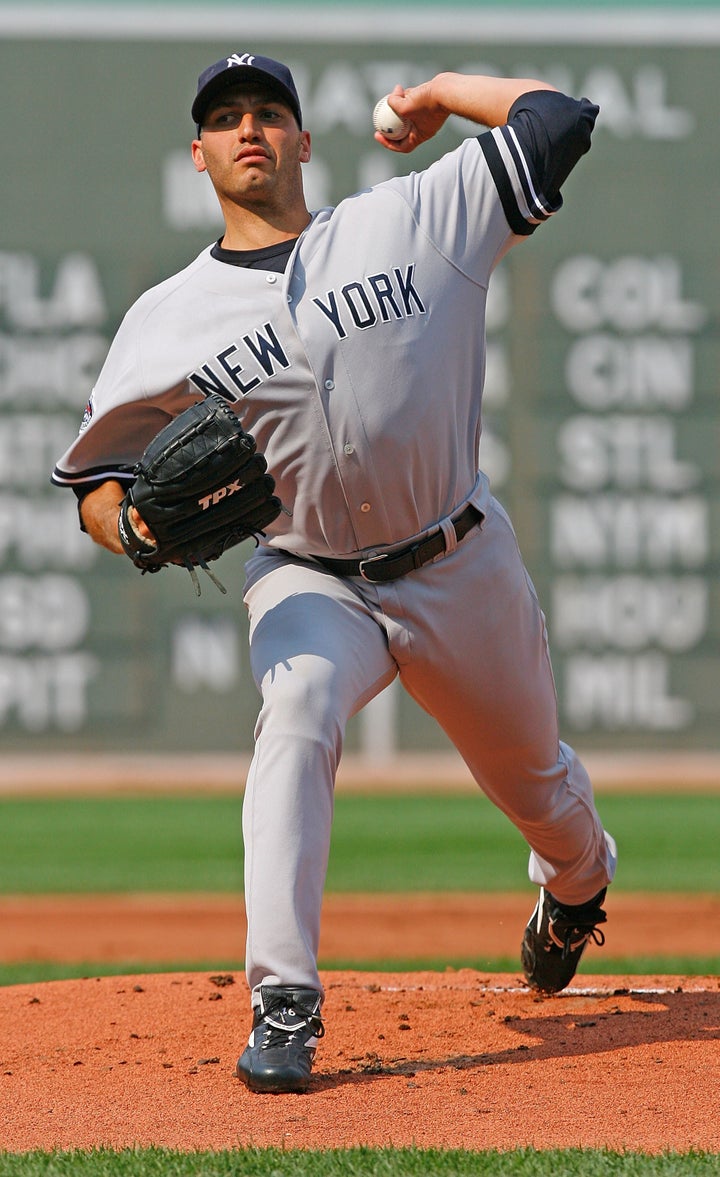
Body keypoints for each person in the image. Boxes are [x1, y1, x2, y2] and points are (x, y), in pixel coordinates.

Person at [52, 52, 617, 1094]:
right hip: (309, 575)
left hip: (458, 559)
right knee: (298, 708)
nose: (249, 128)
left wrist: (443, 93)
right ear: (200, 154)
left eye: (269, 112)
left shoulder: (411, 220)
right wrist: (127, 527)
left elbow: (560, 116)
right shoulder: (164, 320)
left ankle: (577, 885)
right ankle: (285, 998)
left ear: (305, 141)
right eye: (225, 119)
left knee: (537, 787)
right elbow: (94, 478)